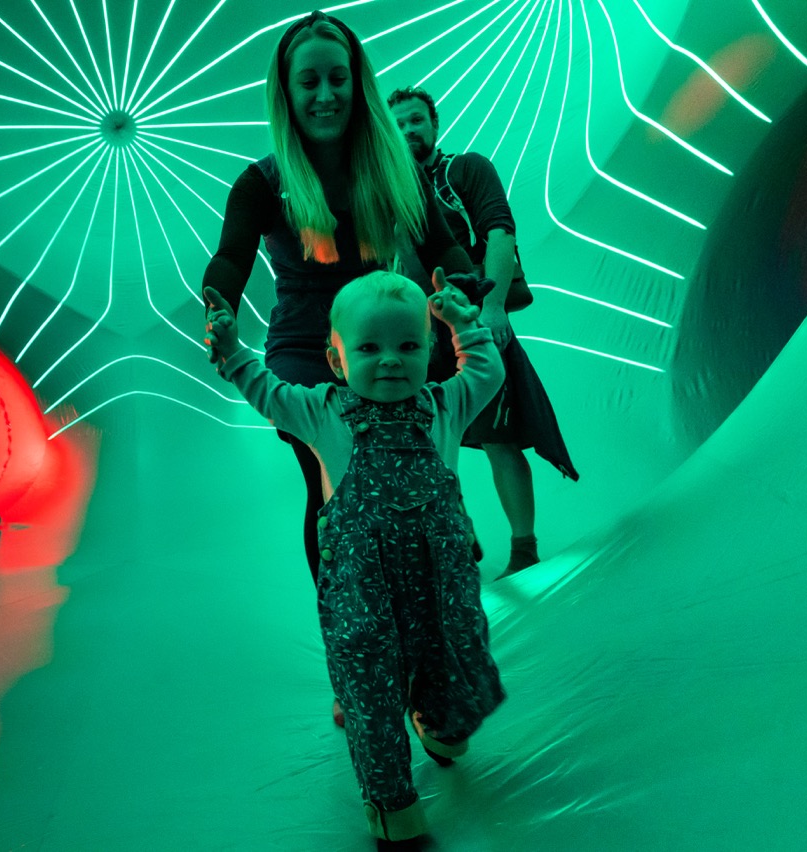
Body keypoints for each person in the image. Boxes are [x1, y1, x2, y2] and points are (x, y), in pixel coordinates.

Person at [201, 10, 478, 727]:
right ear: (286, 94)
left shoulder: (394, 165)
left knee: (418, 485)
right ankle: (354, 659)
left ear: (357, 85)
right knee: (337, 498)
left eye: (337, 78)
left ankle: (426, 653)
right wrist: (219, 305)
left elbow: (445, 242)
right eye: (309, 82)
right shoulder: (263, 181)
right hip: (305, 356)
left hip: (382, 340)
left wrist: (460, 287)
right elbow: (231, 255)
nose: (325, 94)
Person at [205, 270, 507, 850]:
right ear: (336, 358)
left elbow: (486, 371)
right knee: (370, 694)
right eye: (369, 347)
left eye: (409, 345)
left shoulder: (444, 404)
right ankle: (395, 810)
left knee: (449, 660)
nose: (390, 361)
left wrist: (466, 323)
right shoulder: (321, 412)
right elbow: (263, 388)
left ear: (431, 350)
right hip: (361, 592)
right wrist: (230, 346)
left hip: (440, 584)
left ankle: (442, 728)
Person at [388, 85, 579, 578]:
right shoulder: (388, 195)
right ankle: (460, 533)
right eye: (398, 123)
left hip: (472, 318)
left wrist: (493, 307)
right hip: (422, 333)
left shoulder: (465, 170)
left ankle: (524, 549)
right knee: (424, 439)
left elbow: (499, 230)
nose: (408, 130)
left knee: (500, 435)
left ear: (433, 125)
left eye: (415, 120)